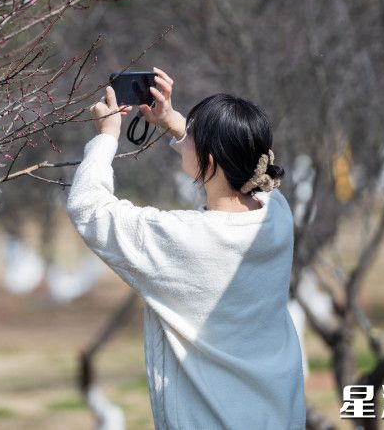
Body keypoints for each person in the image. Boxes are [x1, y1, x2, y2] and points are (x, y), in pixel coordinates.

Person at [66, 67, 306, 429]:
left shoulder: (185, 241)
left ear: (208, 160)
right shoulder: (277, 217)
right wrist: (173, 121)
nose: (185, 137)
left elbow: (87, 208)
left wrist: (106, 136)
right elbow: (243, 175)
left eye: (192, 136)